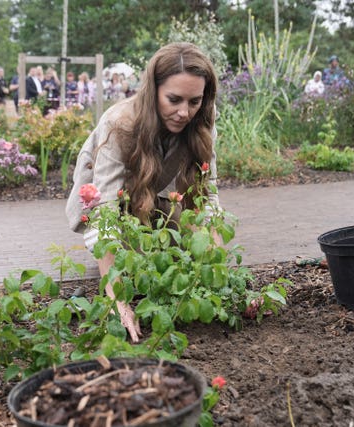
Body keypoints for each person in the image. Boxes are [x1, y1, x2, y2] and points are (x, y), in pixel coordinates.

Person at [65, 42, 220, 342]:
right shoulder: (120, 122)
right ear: (153, 91)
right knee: (128, 269)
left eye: (194, 101)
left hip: (149, 194)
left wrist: (213, 270)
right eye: (173, 99)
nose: (184, 112)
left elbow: (209, 197)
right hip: (102, 198)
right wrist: (118, 302)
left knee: (173, 256)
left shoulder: (202, 122)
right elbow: (104, 211)